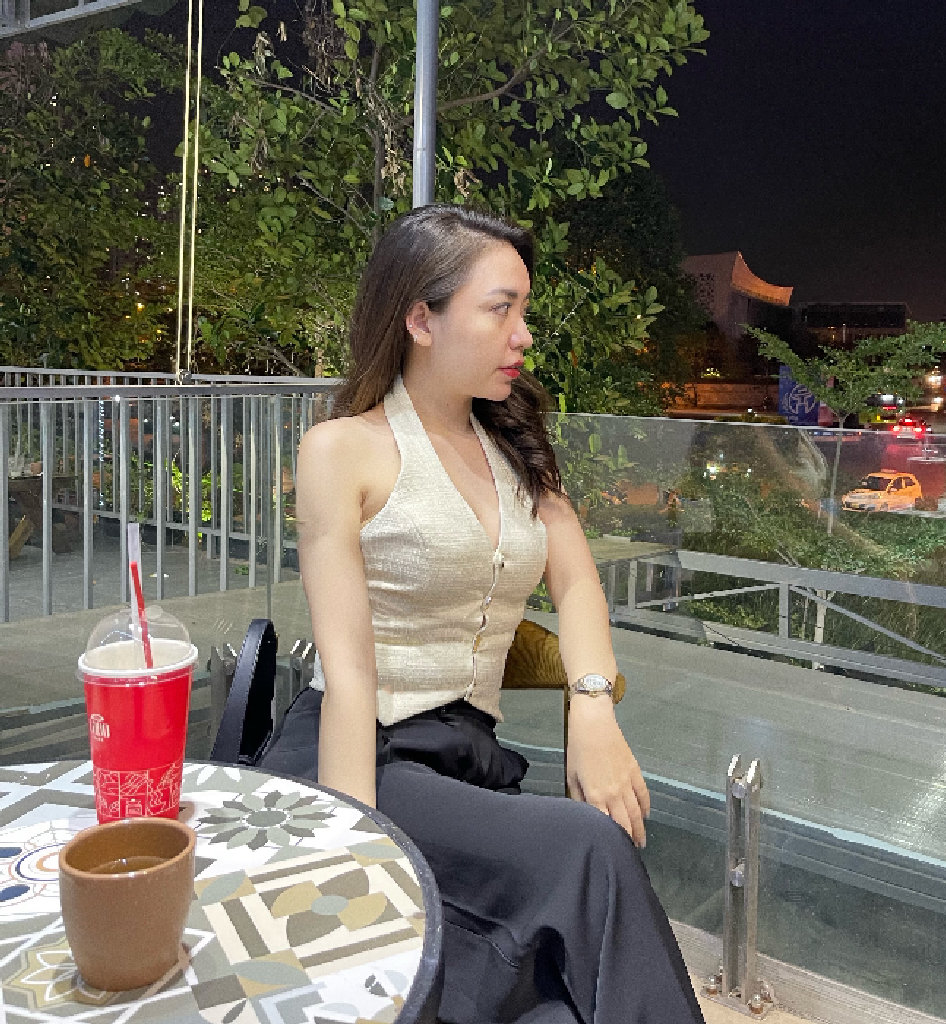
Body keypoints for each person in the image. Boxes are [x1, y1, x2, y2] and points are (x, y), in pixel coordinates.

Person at [262, 204, 705, 1024]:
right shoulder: (343, 450)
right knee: (588, 849)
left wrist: (593, 706)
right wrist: (354, 856)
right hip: (366, 757)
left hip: (469, 760)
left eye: (523, 311)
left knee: (561, 998)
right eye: (501, 309)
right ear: (420, 319)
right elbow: (349, 679)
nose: (523, 335)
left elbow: (577, 584)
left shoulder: (515, 449)